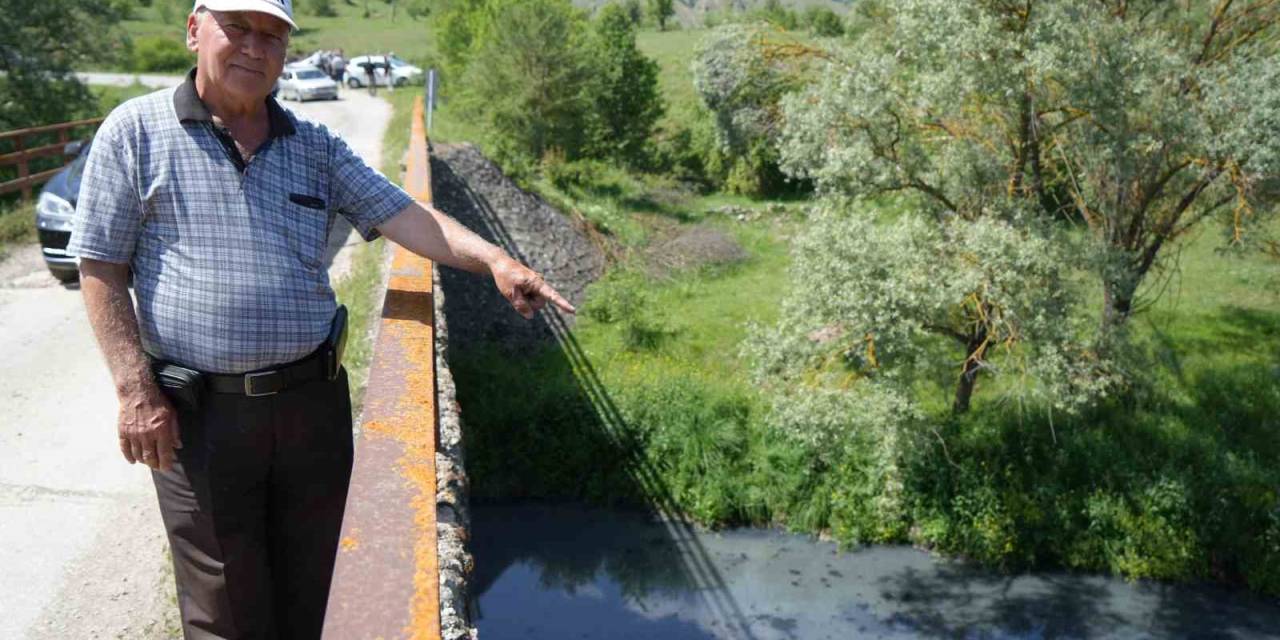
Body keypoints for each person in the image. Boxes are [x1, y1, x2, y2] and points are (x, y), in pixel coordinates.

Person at [67, 0, 575, 638]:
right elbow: (101, 267)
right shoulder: (134, 131)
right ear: (195, 29)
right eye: (240, 29)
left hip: (312, 408)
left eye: (273, 36)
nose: (256, 48)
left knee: (323, 588)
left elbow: (406, 216)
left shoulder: (313, 146)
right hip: (199, 417)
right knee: (226, 608)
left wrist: (496, 261)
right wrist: (134, 389)